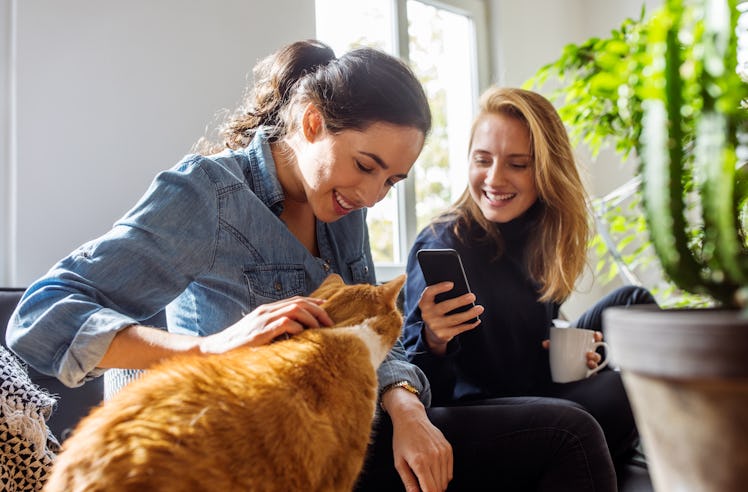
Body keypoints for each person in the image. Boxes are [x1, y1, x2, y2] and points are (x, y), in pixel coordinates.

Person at [6, 42, 616, 491]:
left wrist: (406, 407)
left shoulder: (340, 207)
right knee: (566, 433)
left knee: (568, 429)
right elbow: (41, 317)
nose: (374, 195)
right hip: (239, 452)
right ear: (312, 123)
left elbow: (372, 343)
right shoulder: (206, 196)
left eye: (392, 180)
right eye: (366, 164)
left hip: (336, 432)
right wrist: (209, 349)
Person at [401, 86, 657, 473]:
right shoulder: (445, 244)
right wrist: (434, 340)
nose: (494, 178)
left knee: (632, 300)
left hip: (528, 381)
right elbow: (426, 388)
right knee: (623, 390)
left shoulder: (539, 234)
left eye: (517, 164)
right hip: (475, 406)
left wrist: (562, 354)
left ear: (546, 171)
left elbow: (521, 334)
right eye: (482, 160)